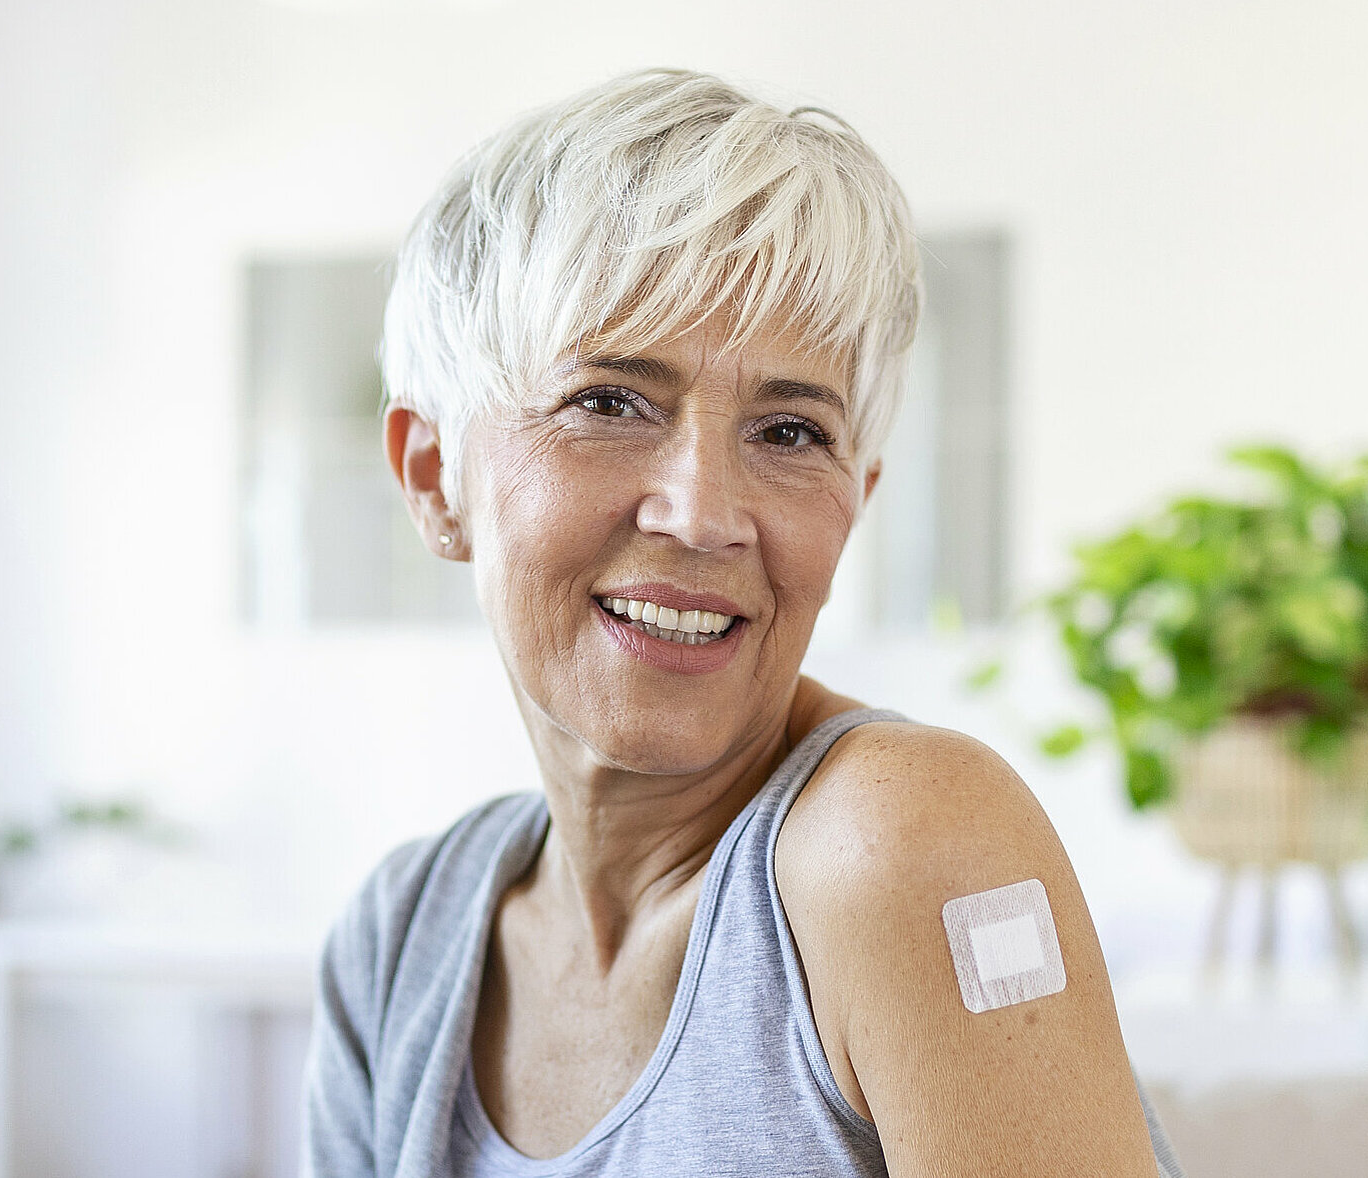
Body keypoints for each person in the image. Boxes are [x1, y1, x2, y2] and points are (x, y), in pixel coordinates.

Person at [305, 69, 1180, 1178]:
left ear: (856, 496)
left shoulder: (908, 842)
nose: (704, 512)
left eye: (789, 430)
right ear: (435, 477)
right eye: (609, 402)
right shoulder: (401, 942)